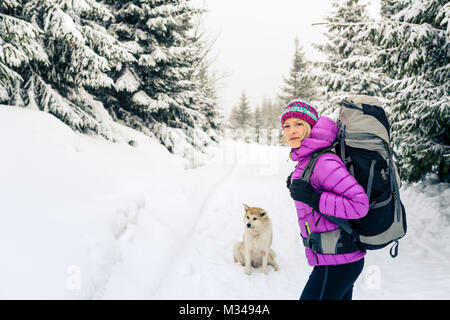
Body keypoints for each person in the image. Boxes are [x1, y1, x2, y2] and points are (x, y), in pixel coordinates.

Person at [281, 99, 369, 300]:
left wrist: (314, 198)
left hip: (338, 262)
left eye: (298, 124)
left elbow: (359, 205)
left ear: (311, 126)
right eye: (287, 126)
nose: (291, 130)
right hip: (336, 259)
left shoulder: (324, 161)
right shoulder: (309, 159)